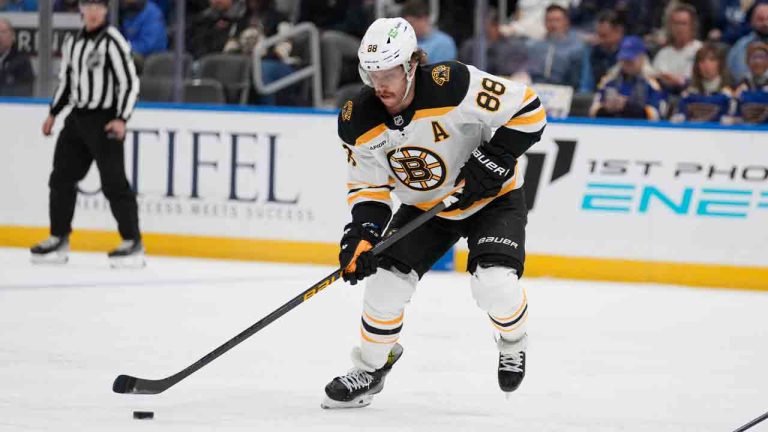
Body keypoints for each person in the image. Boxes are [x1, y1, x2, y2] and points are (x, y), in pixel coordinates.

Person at [323, 17, 546, 409]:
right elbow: (368, 186)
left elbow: (529, 111)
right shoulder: (358, 119)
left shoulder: (454, 83)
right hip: (426, 208)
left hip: (493, 199)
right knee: (384, 286)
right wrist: (363, 232)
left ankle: (513, 342)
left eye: (389, 73)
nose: (381, 85)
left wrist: (493, 159)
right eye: (372, 74)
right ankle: (373, 367)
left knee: (494, 284)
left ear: (411, 65)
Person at [31, 0, 144, 267]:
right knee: (60, 178)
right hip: (77, 119)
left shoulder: (112, 40)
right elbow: (67, 81)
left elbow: (129, 82)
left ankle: (133, 241)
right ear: (81, 9)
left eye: (97, 6)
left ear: (105, 10)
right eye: (87, 5)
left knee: (114, 183)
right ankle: (58, 237)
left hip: (105, 120)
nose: (92, 12)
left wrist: (121, 118)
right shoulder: (74, 42)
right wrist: (53, 112)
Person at [590, 36, 667, 120]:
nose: (626, 63)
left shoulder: (652, 82)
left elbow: (657, 114)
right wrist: (606, 109)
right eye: (624, 59)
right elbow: (593, 111)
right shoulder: (610, 80)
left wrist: (628, 107)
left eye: (630, 60)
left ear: (641, 58)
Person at [525, 4, 585, 89]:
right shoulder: (534, 45)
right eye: (549, 20)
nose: (553, 24)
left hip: (565, 90)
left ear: (566, 22)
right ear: (544, 22)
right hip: (536, 89)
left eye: (557, 20)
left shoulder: (577, 47)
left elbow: (577, 79)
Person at [458, 7, 528, 79]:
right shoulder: (470, 46)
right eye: (491, 24)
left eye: (495, 24)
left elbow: (513, 73)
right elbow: (462, 70)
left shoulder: (511, 47)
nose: (494, 28)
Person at [672, 43, 734, 123]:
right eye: (702, 61)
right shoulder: (688, 94)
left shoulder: (729, 95)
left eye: (712, 60)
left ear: (720, 64)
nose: (706, 65)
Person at [651, 4, 703, 94]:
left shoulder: (700, 50)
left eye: (683, 23)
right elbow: (654, 79)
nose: (679, 28)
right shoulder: (663, 53)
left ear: (692, 26)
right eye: (676, 23)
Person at [579, 10, 625, 93]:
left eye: (604, 36)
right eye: (598, 35)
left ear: (618, 32)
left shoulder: (630, 52)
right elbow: (587, 82)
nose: (599, 40)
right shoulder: (593, 52)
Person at [727, 2, 768, 82]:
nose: (766, 23)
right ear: (752, 21)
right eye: (761, 19)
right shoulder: (740, 46)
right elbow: (737, 75)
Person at [734, 40, 768, 123]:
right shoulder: (741, 84)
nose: (758, 62)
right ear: (747, 61)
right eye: (754, 57)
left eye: (761, 57)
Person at [0, 18, 34, 97]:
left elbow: (24, 91)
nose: (0, 36)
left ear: (13, 37)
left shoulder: (22, 62)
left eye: (3, 32)